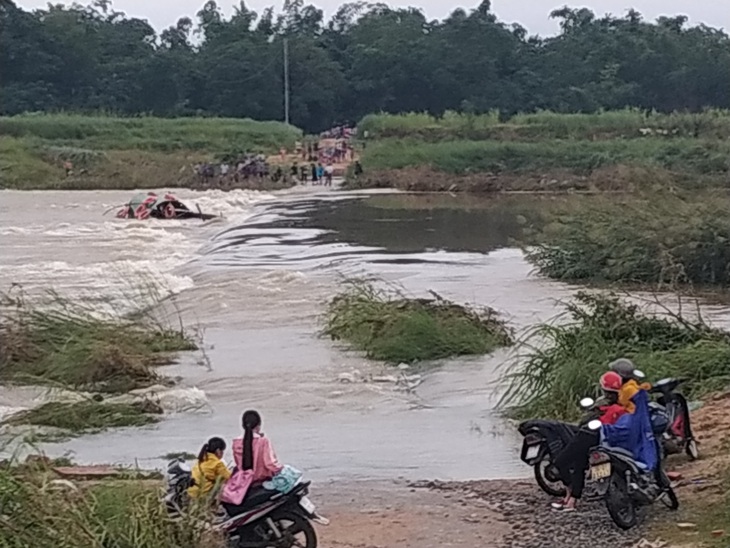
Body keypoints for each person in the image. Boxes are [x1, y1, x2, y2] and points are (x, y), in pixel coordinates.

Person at [551, 371, 628, 511]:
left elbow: (584, 421)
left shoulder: (601, 405)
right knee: (579, 464)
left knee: (561, 462)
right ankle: (572, 501)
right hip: (606, 441)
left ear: (603, 389)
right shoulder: (624, 405)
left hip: (588, 436)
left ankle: (569, 496)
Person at [232, 410, 283, 483]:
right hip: (263, 479)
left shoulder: (236, 442)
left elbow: (238, 463)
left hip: (245, 480)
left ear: (243, 426)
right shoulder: (263, 441)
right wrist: (282, 469)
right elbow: (270, 464)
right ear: (258, 425)